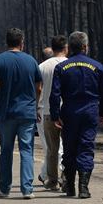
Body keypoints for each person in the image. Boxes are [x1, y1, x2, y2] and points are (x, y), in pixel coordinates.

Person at [50, 31, 103, 198]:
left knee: (69, 149)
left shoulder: (61, 67)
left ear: (71, 47)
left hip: (69, 112)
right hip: (90, 112)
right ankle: (83, 187)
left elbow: (55, 94)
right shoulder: (97, 67)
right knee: (86, 147)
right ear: (84, 47)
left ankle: (70, 186)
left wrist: (55, 115)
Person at [0, 28, 42, 199]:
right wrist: (35, 105)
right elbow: (39, 86)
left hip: (6, 114)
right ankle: (27, 189)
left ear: (7, 42)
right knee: (26, 150)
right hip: (27, 114)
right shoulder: (31, 61)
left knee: (6, 151)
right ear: (21, 42)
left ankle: (4, 188)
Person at [36, 35, 68, 191]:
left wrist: (35, 107)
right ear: (66, 48)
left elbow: (38, 89)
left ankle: (50, 178)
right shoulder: (71, 64)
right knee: (65, 147)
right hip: (68, 111)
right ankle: (64, 177)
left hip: (46, 111)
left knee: (51, 148)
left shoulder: (42, 66)